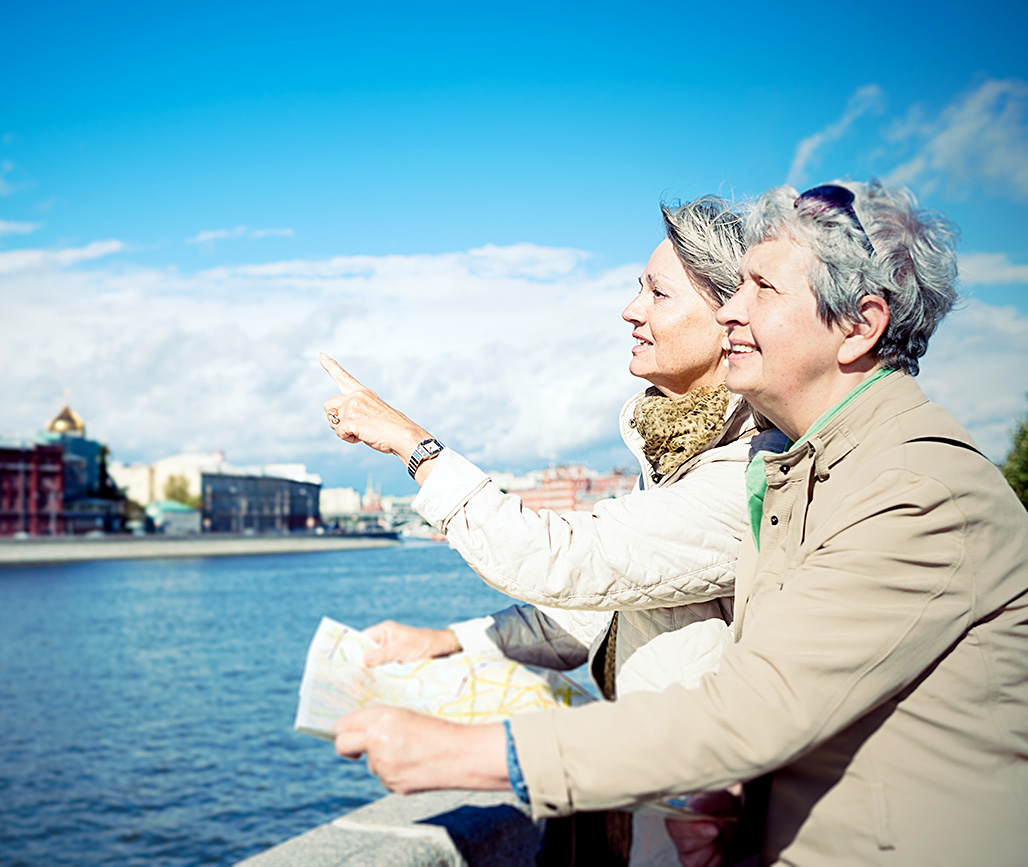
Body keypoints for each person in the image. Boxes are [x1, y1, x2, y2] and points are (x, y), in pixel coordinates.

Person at [331, 180, 1028, 865]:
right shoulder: (803, 468)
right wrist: (740, 805)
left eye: (761, 289)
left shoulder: (912, 491)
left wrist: (471, 753)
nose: (734, 312)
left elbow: (751, 706)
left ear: (860, 325)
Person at [321, 196, 786, 865]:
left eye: (657, 293)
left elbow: (560, 558)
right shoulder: (672, 466)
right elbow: (588, 613)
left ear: (729, 321)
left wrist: (414, 445)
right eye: (637, 290)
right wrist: (444, 641)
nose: (632, 310)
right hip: (661, 809)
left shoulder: (745, 474)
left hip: (706, 828)